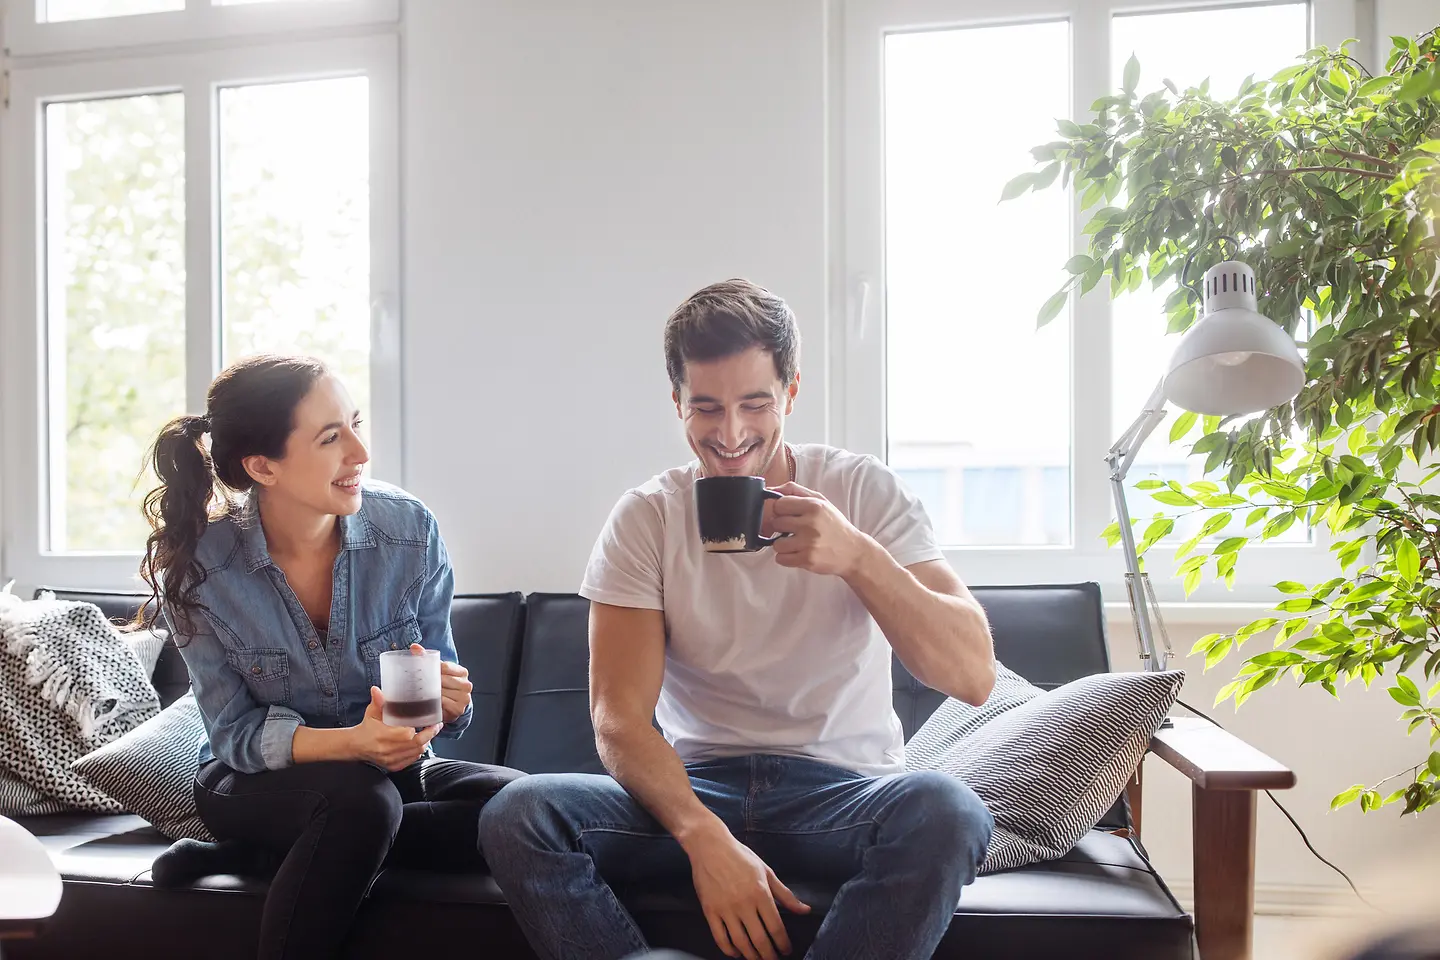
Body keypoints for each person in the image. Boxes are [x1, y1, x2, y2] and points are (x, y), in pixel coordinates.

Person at [480, 280, 997, 960]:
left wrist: (858, 557)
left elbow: (972, 676)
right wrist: (701, 835)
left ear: (791, 390)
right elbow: (619, 720)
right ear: (677, 405)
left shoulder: (863, 491)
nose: (730, 434)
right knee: (518, 816)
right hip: (697, 786)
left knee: (950, 811)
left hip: (844, 792)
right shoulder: (647, 517)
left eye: (755, 403)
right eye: (706, 408)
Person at [137, 355, 524, 960]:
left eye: (356, 423)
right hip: (254, 783)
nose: (361, 453)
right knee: (363, 805)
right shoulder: (202, 570)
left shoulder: (408, 531)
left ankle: (271, 857)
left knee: (528, 809)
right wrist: (354, 744)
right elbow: (235, 735)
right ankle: (270, 840)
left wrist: (446, 704)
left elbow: (436, 689)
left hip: (393, 779)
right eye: (330, 437)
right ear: (263, 466)